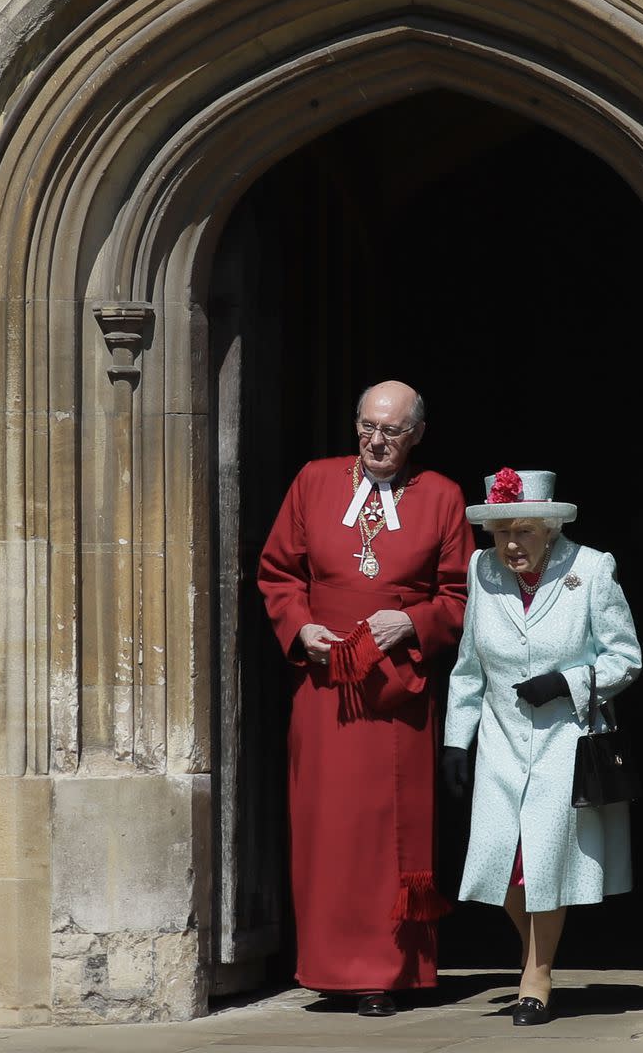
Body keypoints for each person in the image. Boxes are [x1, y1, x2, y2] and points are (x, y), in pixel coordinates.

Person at [257, 380, 472, 1016]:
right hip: (326, 690)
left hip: (398, 698)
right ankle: (329, 968)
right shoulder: (314, 482)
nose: (378, 442)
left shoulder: (441, 497)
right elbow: (279, 573)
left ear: (417, 435)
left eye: (394, 431)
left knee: (388, 835)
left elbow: (461, 598)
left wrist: (414, 623)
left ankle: (390, 973)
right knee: (329, 828)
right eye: (368, 428)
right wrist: (301, 629)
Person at [442, 467, 641, 1026]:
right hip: (501, 742)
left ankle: (537, 973)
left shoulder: (592, 570)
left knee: (543, 860)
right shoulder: (482, 570)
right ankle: (532, 956)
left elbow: (626, 658)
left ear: (550, 529)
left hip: (567, 742)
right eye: (501, 530)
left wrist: (567, 682)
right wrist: (457, 742)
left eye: (523, 531)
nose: (510, 543)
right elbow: (468, 667)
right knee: (502, 863)